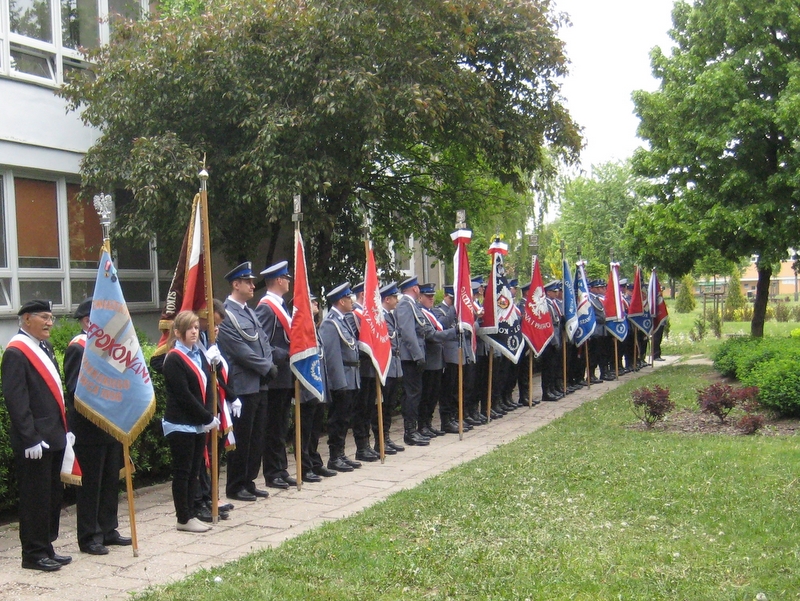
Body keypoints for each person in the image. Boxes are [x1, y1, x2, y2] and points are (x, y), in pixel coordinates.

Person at [3, 299, 72, 571]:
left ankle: (46, 546)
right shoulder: (16, 352)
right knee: (35, 499)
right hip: (34, 442)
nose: (49, 323)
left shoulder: (45, 347)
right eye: (44, 317)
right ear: (27, 319)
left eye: (51, 318)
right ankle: (32, 554)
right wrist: (30, 436)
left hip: (53, 437)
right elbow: (16, 400)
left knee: (52, 497)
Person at [64, 297, 131, 555]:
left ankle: (108, 528)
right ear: (86, 321)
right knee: (91, 485)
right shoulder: (78, 348)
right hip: (90, 429)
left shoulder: (109, 348)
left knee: (109, 481)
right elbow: (74, 390)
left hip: (112, 425)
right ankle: (89, 536)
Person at [216, 262, 277, 502]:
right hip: (243, 384)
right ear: (235, 284)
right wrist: (266, 367)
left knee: (257, 436)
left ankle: (249, 480)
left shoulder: (249, 310)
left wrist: (268, 365)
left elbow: (263, 342)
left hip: (259, 382)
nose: (253, 285)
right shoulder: (227, 313)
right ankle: (235, 485)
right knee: (241, 438)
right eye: (248, 281)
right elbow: (239, 350)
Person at [162, 311, 220, 533]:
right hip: (181, 423)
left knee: (195, 471)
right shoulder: (174, 358)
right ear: (178, 332)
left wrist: (208, 414)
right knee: (183, 471)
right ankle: (183, 517)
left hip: (197, 423)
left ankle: (191, 512)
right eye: (190, 328)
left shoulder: (199, 354)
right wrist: (206, 417)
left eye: (197, 327)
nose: (195, 331)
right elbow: (183, 395)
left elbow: (206, 387)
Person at [255, 260, 297, 489]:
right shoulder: (266, 307)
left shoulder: (281, 306)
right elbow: (262, 343)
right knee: (273, 427)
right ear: (279, 280)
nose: (289, 281)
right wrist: (285, 353)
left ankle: (281, 468)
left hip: (284, 376)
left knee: (282, 426)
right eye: (287, 278)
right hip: (274, 377)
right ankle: (272, 472)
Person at [319, 282, 362, 472]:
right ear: (341, 301)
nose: (352, 301)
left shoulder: (344, 319)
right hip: (342, 378)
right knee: (338, 419)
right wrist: (339, 383)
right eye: (348, 298)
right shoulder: (330, 322)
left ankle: (342, 454)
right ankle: (334, 456)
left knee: (345, 419)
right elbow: (332, 355)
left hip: (351, 376)